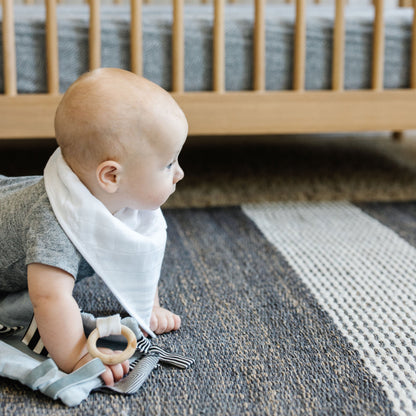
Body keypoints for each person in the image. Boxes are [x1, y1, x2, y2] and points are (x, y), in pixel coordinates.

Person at [0, 68, 188, 387]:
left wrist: (147, 307)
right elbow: (48, 298)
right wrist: (76, 355)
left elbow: (137, 250)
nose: (179, 173)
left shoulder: (120, 203)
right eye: (169, 164)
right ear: (111, 177)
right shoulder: (54, 224)